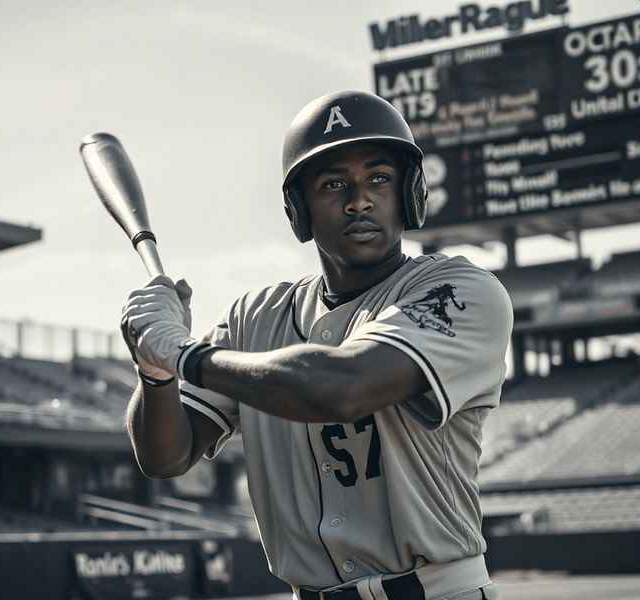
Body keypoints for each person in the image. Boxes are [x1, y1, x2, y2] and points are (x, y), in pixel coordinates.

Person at [121, 90, 512, 600]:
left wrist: (185, 354)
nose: (359, 199)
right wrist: (155, 371)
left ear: (409, 193)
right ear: (298, 210)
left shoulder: (460, 290)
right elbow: (164, 457)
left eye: (379, 178)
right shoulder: (252, 319)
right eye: (333, 184)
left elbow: (340, 385)